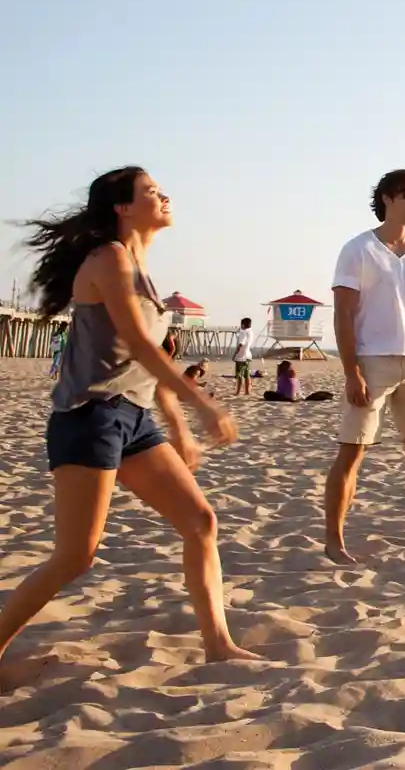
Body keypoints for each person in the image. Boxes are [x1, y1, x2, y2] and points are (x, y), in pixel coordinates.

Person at [0, 167, 255, 691]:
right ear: (122, 207)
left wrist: (179, 428)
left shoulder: (141, 267)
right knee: (76, 556)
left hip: (132, 419)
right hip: (88, 417)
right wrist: (203, 402)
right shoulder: (109, 260)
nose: (165, 197)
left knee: (200, 522)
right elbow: (139, 344)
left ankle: (219, 646)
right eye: (152, 192)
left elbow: (148, 364)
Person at [323, 170, 405, 565]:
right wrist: (350, 371)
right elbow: (343, 314)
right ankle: (334, 541)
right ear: (387, 198)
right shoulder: (358, 249)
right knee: (353, 450)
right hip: (371, 361)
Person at [263, 360, 333, 402]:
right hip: (296, 398)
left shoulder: (281, 378)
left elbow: (280, 391)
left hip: (286, 398)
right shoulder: (294, 378)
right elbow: (298, 392)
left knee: (267, 393)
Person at [231, 317, 254, 397]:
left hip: (241, 356)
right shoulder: (250, 332)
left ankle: (238, 392)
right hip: (248, 355)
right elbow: (241, 337)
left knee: (239, 375)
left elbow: (241, 343)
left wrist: (235, 354)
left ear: (243, 324)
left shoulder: (244, 332)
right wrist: (238, 332)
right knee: (247, 374)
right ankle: (247, 391)